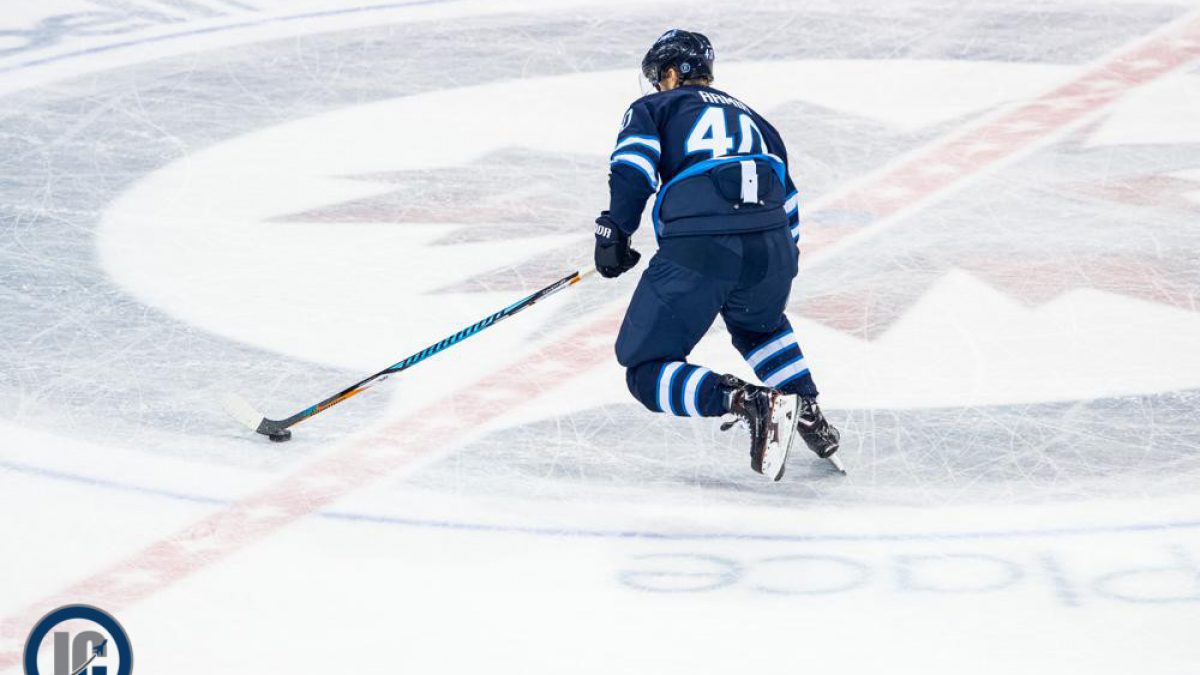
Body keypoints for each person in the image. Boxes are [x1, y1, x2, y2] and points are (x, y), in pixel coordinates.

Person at [593, 29, 841, 480]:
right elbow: (788, 198)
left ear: (673, 73)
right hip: (773, 248)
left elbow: (633, 167)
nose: (657, 86)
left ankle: (745, 400)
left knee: (644, 367)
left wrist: (616, 230)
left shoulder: (655, 108)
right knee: (760, 327)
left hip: (702, 245)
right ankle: (807, 410)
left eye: (659, 77)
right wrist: (779, 262)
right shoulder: (759, 121)